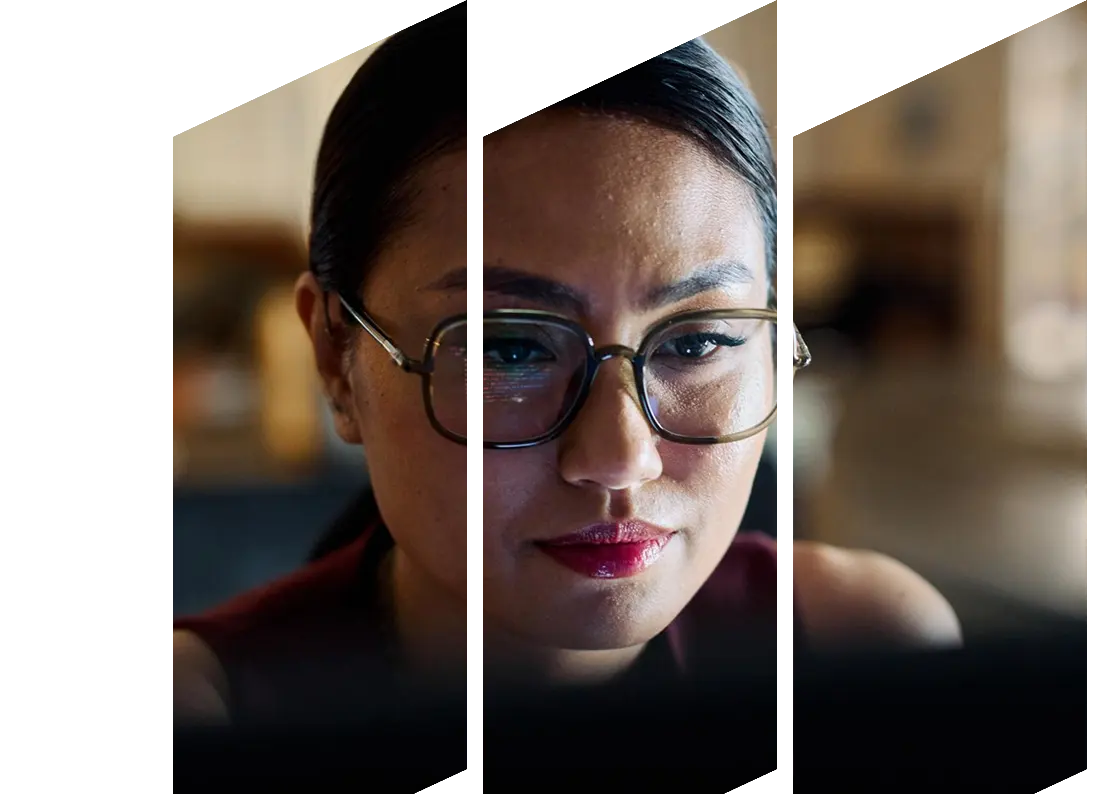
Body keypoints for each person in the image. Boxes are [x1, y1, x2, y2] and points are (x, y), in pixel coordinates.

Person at [168, 17, 960, 727]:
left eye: (696, 343)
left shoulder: (859, 656)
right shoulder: (217, 725)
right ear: (337, 359)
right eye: (511, 349)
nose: (620, 457)